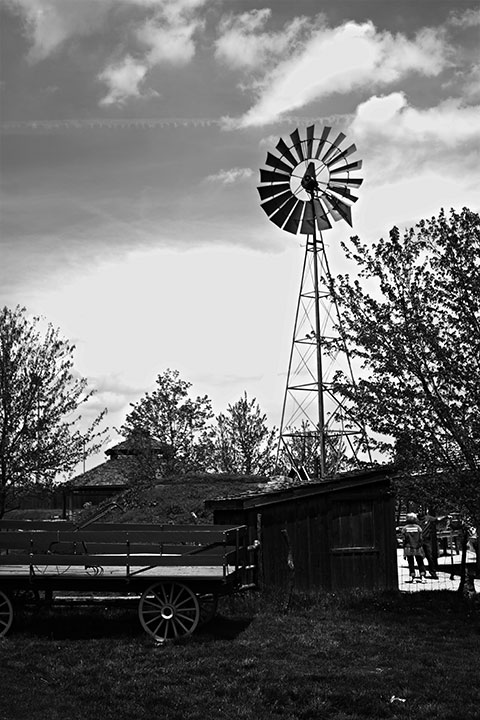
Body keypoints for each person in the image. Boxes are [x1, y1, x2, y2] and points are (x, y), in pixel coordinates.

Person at [419, 510, 446, 579]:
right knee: (419, 556)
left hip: (426, 540)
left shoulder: (428, 518)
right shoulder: (415, 519)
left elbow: (437, 519)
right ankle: (422, 572)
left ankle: (432, 571)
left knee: (429, 556)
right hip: (418, 540)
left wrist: (446, 517)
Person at [401, 512, 426, 582]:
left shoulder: (404, 528)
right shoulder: (418, 528)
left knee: (411, 562)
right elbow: (421, 538)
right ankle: (422, 576)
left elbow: (404, 539)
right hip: (417, 547)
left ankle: (412, 577)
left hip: (408, 548)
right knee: (420, 562)